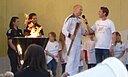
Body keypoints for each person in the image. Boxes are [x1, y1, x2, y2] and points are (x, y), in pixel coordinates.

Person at [61, 4, 87, 76]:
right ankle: (68, 74)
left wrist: (87, 31)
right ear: (75, 9)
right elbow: (64, 30)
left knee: (76, 60)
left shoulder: (79, 20)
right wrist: (69, 35)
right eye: (80, 9)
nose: (81, 11)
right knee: (71, 59)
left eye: (82, 10)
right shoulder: (70, 18)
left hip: (78, 43)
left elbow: (82, 31)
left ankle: (74, 74)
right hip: (71, 43)